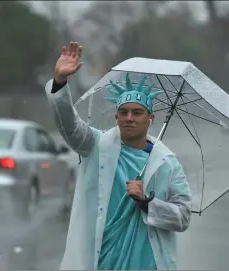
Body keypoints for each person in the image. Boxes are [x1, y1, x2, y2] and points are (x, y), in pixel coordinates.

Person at [44, 41, 193, 270]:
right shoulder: (96, 146)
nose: (129, 118)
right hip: (103, 262)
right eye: (123, 112)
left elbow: (183, 217)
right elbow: (69, 126)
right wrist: (60, 83)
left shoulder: (167, 164)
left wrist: (147, 203)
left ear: (150, 119)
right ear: (116, 117)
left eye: (137, 112)